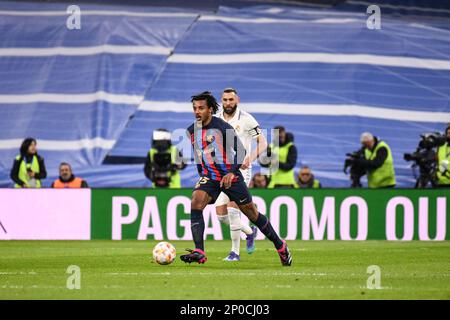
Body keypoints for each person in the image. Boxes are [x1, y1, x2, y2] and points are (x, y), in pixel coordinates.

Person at [181, 91, 292, 266]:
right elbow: (198, 154)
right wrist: (202, 174)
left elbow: (241, 153)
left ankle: (280, 246)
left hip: (230, 176)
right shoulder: (191, 130)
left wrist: (231, 173)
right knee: (196, 201)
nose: (197, 111)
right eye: (195, 108)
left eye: (201, 108)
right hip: (211, 177)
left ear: (210, 109)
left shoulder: (223, 127)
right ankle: (199, 251)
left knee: (252, 213)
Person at [215, 88, 268, 261]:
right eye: (225, 100)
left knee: (232, 209)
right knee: (221, 216)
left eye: (231, 99)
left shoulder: (246, 119)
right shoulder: (216, 117)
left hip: (240, 170)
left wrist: (250, 158)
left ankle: (234, 253)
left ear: (237, 99)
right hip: (222, 170)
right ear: (221, 101)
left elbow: (263, 143)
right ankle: (249, 231)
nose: (228, 103)